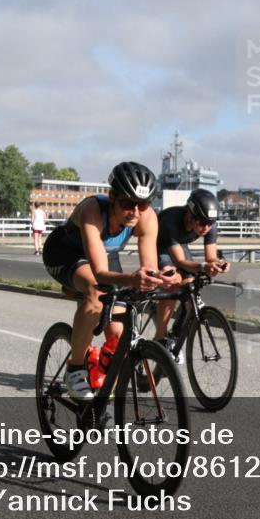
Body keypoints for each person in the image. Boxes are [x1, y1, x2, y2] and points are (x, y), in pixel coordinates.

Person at [42, 162, 180, 400]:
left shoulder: (146, 218)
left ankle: (100, 386)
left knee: (118, 337)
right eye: (128, 203)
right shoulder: (92, 211)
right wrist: (133, 280)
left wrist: (161, 277)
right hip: (65, 253)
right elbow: (100, 274)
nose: (135, 212)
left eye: (143, 204)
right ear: (113, 196)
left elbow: (148, 267)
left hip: (104, 257)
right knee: (96, 293)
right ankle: (75, 369)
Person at [153, 189, 229, 357]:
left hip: (179, 244)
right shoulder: (171, 222)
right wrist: (202, 267)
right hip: (160, 244)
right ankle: (160, 340)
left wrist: (219, 264)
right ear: (190, 215)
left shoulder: (209, 224)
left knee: (190, 292)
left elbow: (210, 257)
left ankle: (173, 337)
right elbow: (180, 262)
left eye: (210, 223)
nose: (206, 228)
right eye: (202, 223)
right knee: (172, 284)